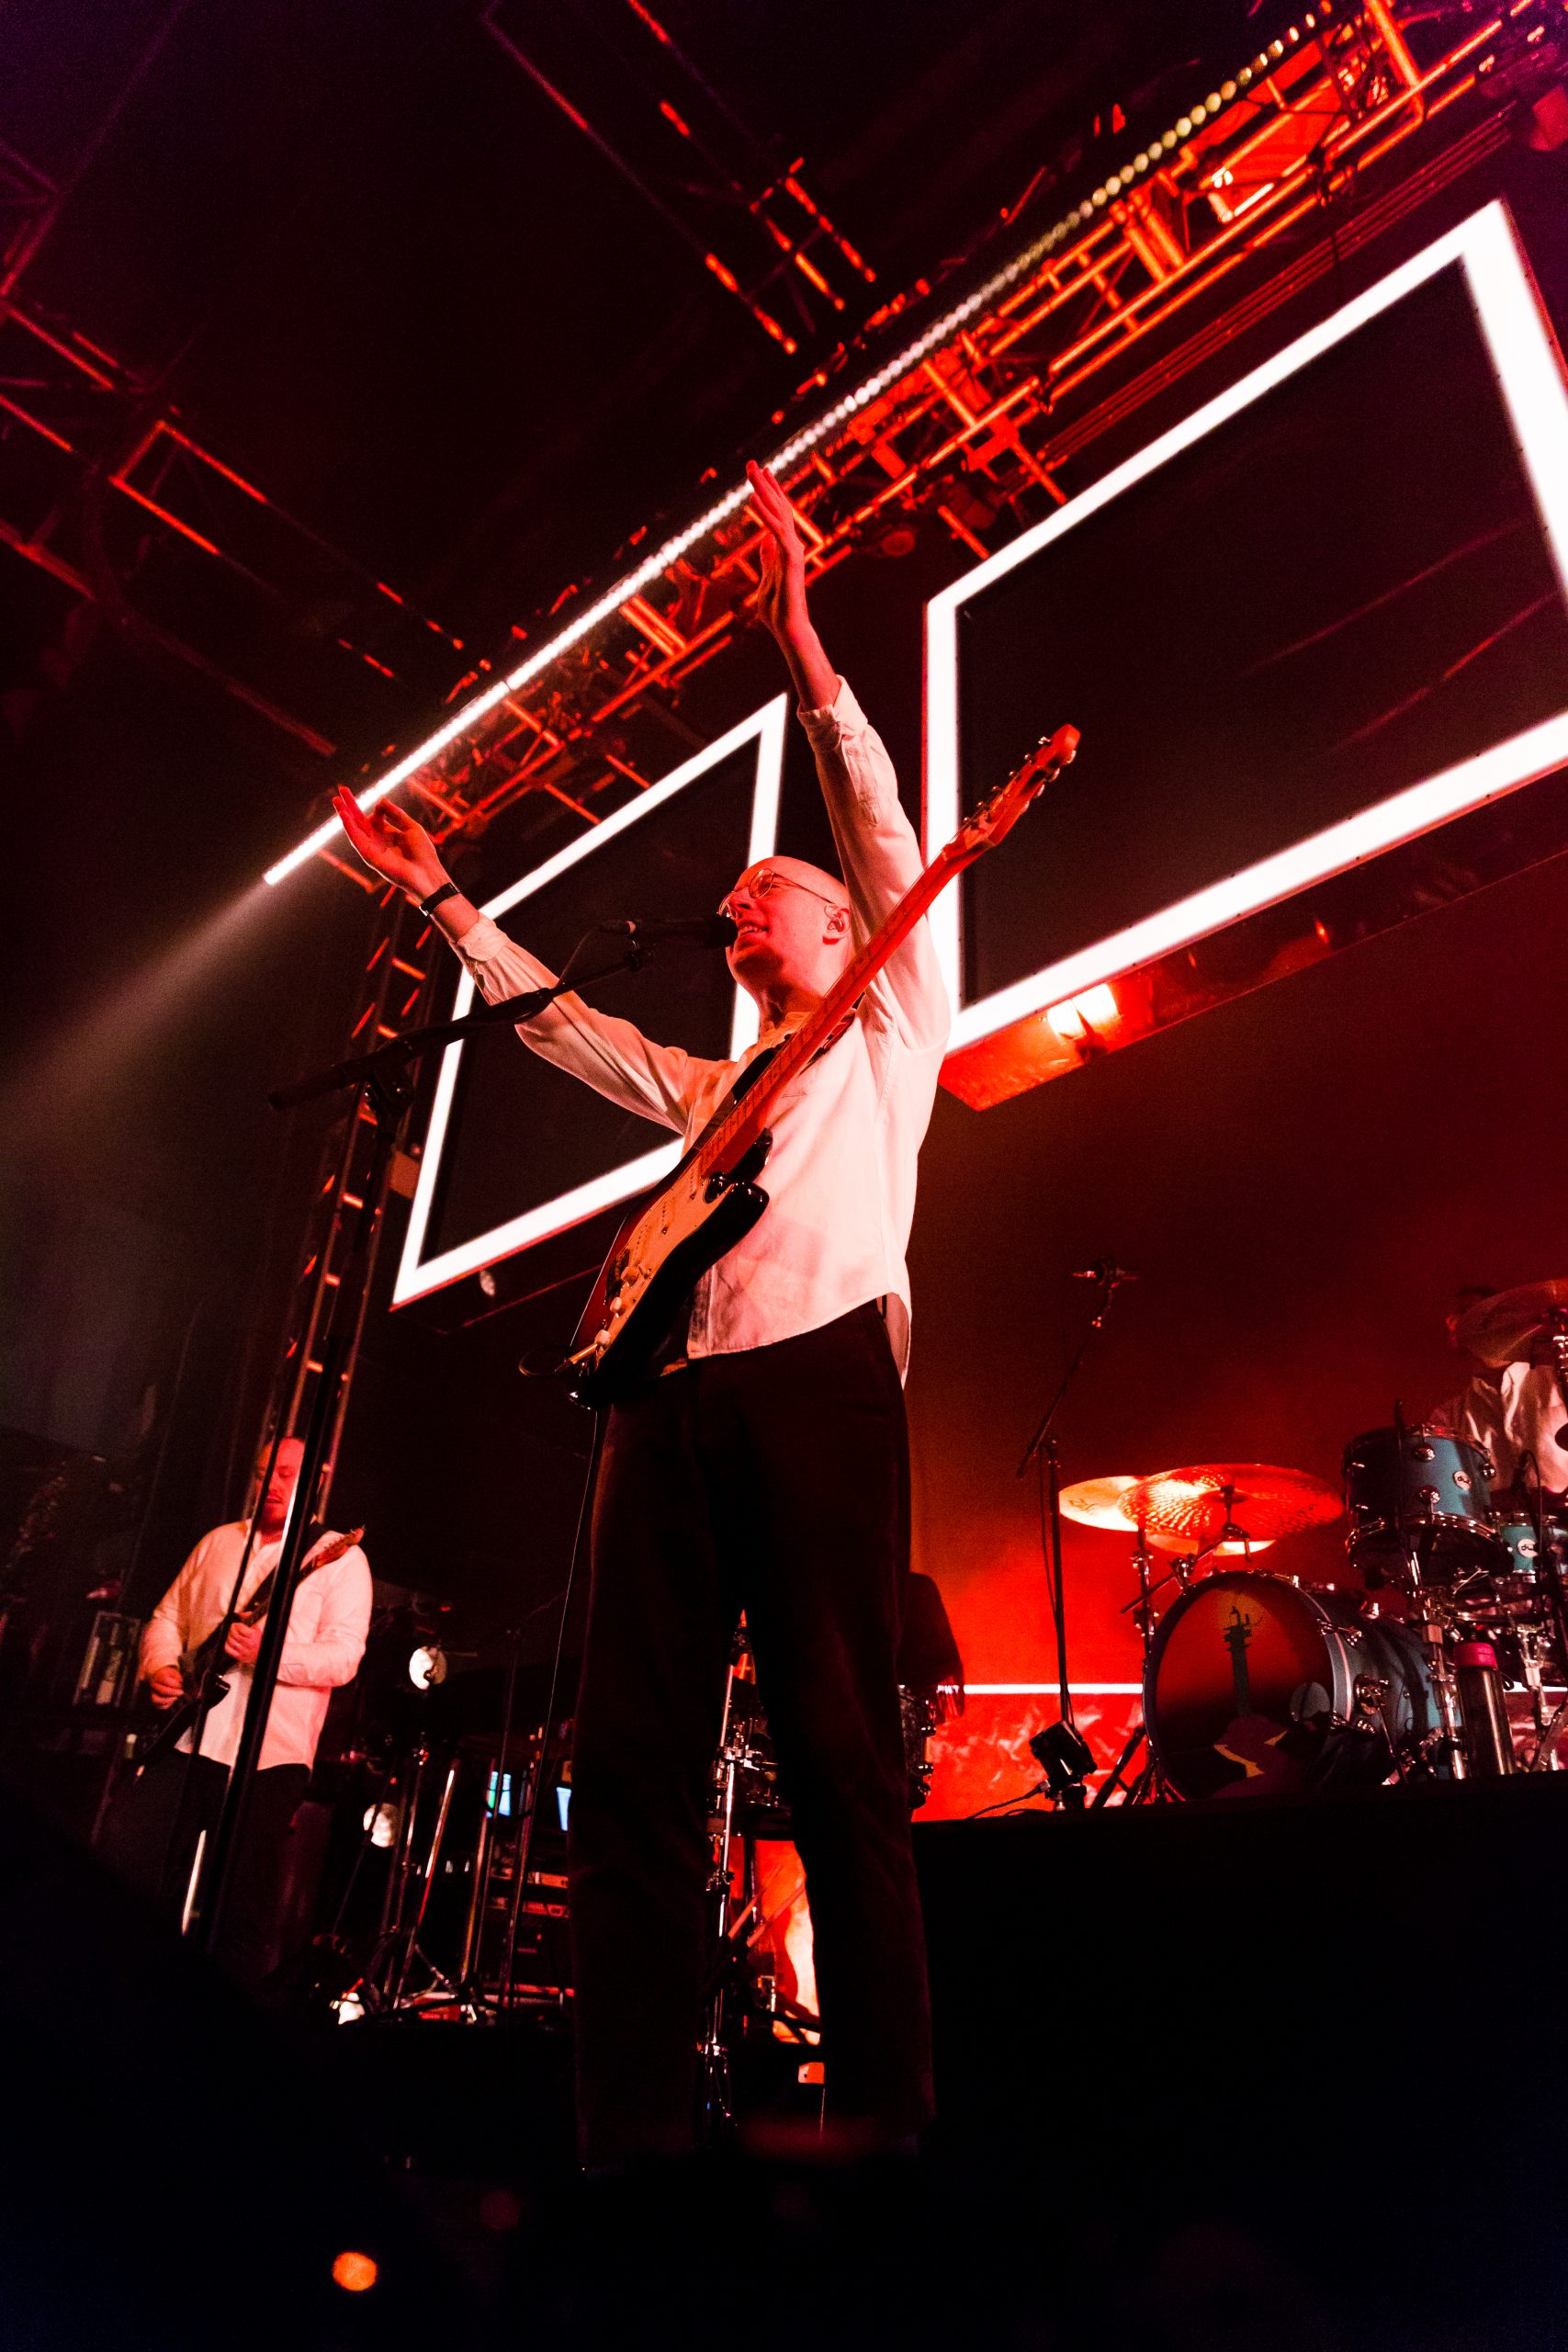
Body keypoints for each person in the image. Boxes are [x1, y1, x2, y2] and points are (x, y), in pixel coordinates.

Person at [333, 459, 950, 2163]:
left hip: (823, 1377)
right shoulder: (707, 1086)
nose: (744, 903)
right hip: (667, 1401)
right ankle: (625, 2152)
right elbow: (549, 1025)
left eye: (777, 890)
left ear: (845, 931)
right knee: (632, 1775)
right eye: (743, 894)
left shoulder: (893, 1030)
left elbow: (888, 832)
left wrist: (805, 645)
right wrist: (442, 895)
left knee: (838, 1757)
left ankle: (890, 2130)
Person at [99, 1437, 372, 1987]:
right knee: (128, 1872)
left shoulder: (340, 1558)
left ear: (312, 1480)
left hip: (270, 1755)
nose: (271, 1482)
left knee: (240, 1910)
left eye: (286, 1473)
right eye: (263, 1470)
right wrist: (159, 1669)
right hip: (186, 1738)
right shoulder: (219, 1542)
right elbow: (168, 1616)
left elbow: (345, 1657)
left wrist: (270, 1656)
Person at [1432, 1283, 1568, 1506]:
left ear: (1503, 1320)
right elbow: (1449, 1503)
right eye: (1450, 1317)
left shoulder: (1558, 1380)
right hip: (1501, 1538)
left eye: (1466, 1312)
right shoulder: (1446, 1419)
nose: (1453, 1322)